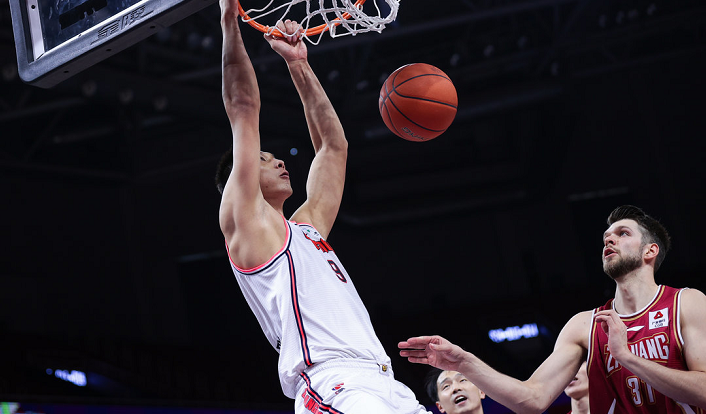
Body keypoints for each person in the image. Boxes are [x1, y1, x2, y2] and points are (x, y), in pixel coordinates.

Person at [215, 1, 430, 413]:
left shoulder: (307, 228)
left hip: (383, 380)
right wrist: (228, 19)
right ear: (236, 184)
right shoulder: (249, 227)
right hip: (332, 383)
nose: (279, 161)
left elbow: (333, 148)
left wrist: (299, 65)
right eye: (263, 159)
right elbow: (242, 108)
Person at [399, 205, 706, 414]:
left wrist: (626, 357)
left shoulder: (686, 302)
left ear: (650, 250)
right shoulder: (583, 325)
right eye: (606, 237)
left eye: (623, 234)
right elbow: (532, 398)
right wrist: (464, 362)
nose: (609, 239)